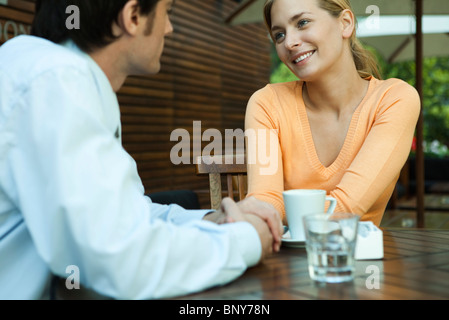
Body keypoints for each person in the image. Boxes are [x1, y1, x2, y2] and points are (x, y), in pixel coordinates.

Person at [0, 0, 283, 299]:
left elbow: (128, 217)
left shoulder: (57, 75)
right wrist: (246, 239)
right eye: (168, 12)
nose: (170, 28)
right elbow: (120, 259)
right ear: (133, 16)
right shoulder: (55, 81)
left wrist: (212, 220)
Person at [245, 0, 420, 226]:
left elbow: (345, 209)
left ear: (345, 23)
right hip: (283, 258)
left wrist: (270, 213)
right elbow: (265, 202)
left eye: (302, 22)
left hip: (356, 258)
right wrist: (258, 211)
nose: (289, 42)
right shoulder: (267, 103)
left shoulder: (394, 99)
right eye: (279, 35)